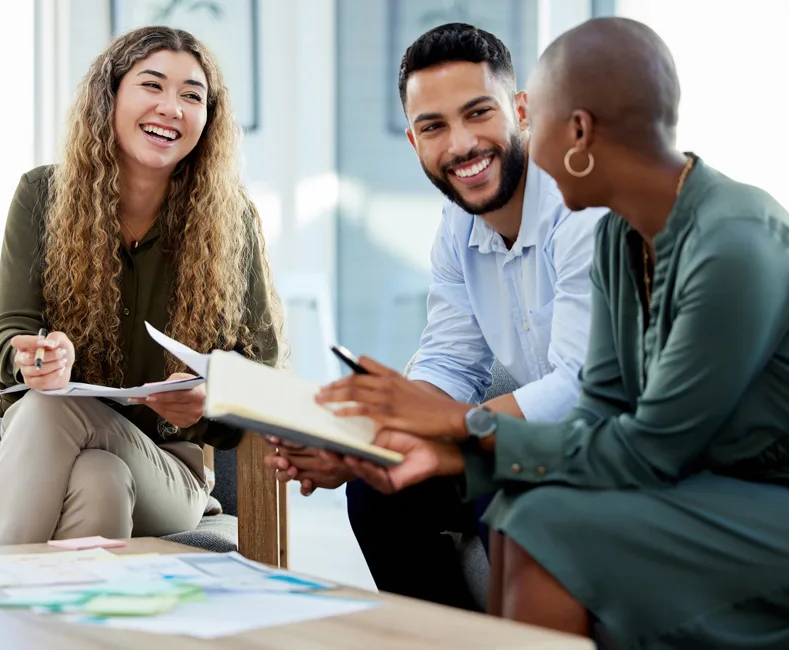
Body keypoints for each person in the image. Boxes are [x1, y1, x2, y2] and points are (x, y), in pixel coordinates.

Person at [316, 16, 789, 649]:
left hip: (748, 489)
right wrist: (405, 437)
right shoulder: (627, 236)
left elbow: (650, 445)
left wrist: (458, 433)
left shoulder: (730, 241)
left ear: (575, 130)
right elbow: (602, 398)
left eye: (531, 121)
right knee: (517, 509)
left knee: (543, 520)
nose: (515, 144)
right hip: (676, 467)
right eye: (433, 126)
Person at [266, 23, 605, 610]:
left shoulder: (579, 208)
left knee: (500, 485)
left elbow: (578, 389)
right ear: (413, 140)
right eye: (434, 127)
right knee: (378, 492)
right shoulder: (458, 225)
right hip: (526, 436)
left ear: (520, 109)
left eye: (478, 113)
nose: (461, 145)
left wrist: (437, 426)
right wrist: (360, 443)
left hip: (597, 446)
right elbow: (450, 359)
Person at [0, 26, 282, 546]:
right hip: (21, 447)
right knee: (99, 481)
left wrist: (210, 401)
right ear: (110, 95)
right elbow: (10, 334)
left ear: (208, 120)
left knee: (61, 418)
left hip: (164, 467)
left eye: (192, 95)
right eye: (152, 85)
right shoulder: (41, 195)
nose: (172, 107)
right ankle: (73, 629)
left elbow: (263, 376)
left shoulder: (232, 222)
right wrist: (34, 359)